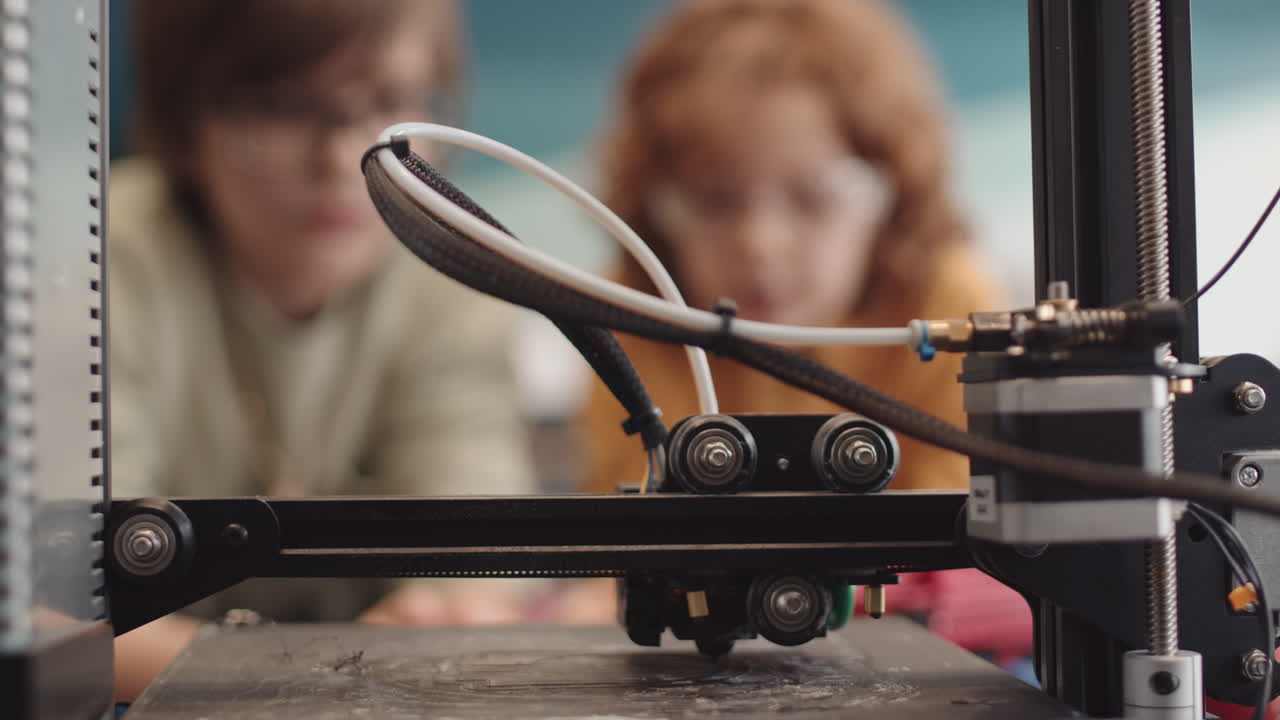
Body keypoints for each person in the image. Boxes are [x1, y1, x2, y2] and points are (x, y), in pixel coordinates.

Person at [569, 0, 1031, 664]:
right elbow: (624, 541)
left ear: (892, 193)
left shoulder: (950, 312)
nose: (761, 243)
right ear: (655, 205)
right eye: (715, 201)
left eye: (813, 197)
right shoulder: (629, 319)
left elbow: (969, 539)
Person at [110, 0, 533, 699]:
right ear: (186, 120)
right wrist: (331, 681)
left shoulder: (457, 276)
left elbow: (480, 578)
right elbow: (70, 619)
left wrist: (447, 614)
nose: (340, 159)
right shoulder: (101, 266)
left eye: (388, 102)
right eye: (282, 106)